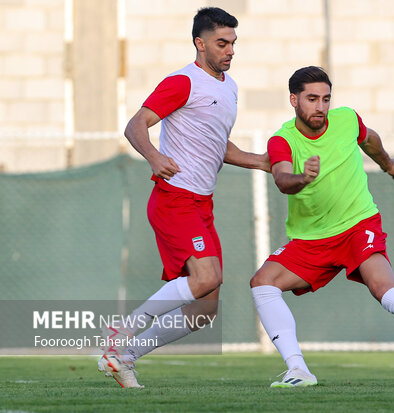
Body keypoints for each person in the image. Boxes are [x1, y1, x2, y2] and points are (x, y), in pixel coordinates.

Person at [250, 66, 394, 388]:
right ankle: (298, 371)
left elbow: (369, 139)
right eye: (312, 99)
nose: (320, 107)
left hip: (358, 225)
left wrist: (388, 164)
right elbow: (283, 179)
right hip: (312, 239)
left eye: (325, 99)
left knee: (384, 288)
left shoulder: (346, 119)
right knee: (262, 283)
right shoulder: (282, 140)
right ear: (293, 100)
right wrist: (303, 177)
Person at [97, 7, 270, 388]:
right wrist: (155, 156)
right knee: (207, 275)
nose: (229, 51)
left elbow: (218, 145)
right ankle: (124, 330)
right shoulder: (182, 81)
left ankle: (123, 357)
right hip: (175, 198)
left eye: (233, 44)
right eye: (222, 43)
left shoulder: (229, 86)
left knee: (204, 309)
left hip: (201, 204)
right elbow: (135, 124)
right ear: (200, 43)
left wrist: (266, 163)